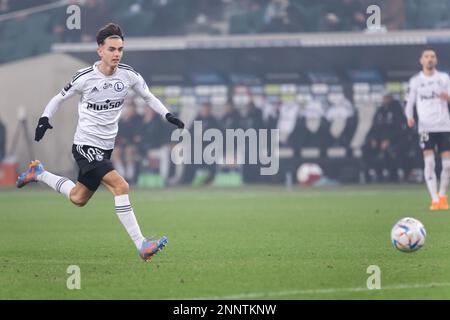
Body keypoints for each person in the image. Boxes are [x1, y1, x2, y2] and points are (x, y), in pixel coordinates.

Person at [16, 23, 184, 261]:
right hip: (85, 146)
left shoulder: (129, 75)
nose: (117, 53)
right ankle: (142, 244)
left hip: (104, 150)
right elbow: (57, 99)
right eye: (112, 49)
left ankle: (39, 172)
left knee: (78, 198)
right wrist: (44, 119)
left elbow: (149, 97)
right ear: (100, 51)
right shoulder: (84, 78)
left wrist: (167, 114)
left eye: (120, 49)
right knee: (121, 186)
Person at [405, 47, 450, 211]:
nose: (430, 59)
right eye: (426, 56)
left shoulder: (444, 78)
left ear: (436, 60)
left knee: (447, 166)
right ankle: (434, 199)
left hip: (444, 126)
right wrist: (409, 117)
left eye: (432, 56)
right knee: (429, 163)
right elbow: (409, 102)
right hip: (426, 127)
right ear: (421, 60)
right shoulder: (415, 81)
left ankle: (443, 195)